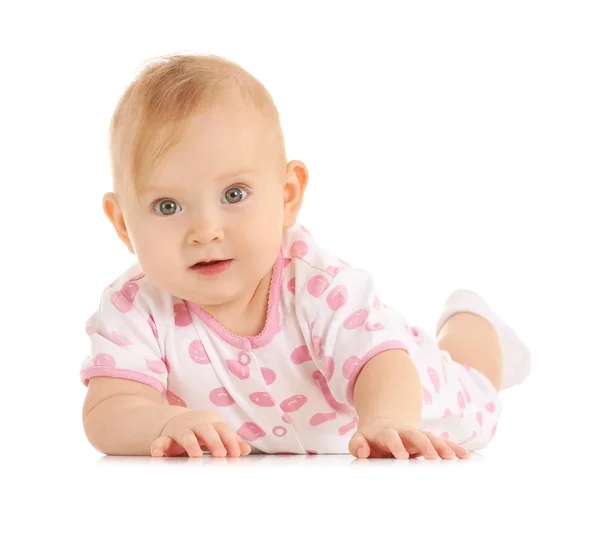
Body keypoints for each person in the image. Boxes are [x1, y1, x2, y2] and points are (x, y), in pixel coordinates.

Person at [80, 54, 531, 459]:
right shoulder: (134, 308)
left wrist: (385, 421)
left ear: (287, 195)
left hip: (419, 404)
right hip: (297, 445)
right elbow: (109, 409)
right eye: (168, 206)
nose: (205, 231)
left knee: (477, 383)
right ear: (123, 224)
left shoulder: (315, 283)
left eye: (234, 194)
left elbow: (380, 361)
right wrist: (163, 422)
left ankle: (472, 320)